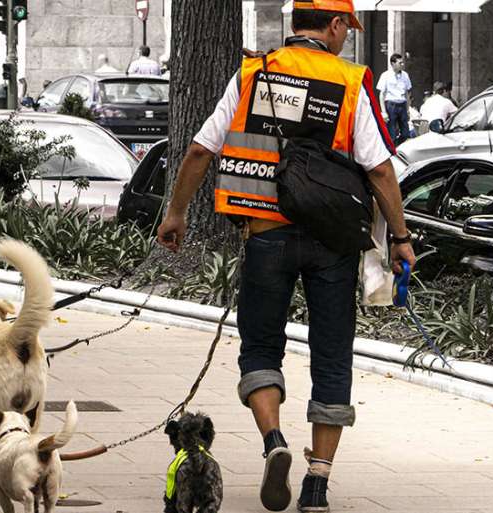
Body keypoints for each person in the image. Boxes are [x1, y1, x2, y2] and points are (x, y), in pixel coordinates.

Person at [155, 2, 417, 512]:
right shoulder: (349, 80)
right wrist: (400, 237)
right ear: (336, 25)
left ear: (295, 23)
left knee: (259, 347)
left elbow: (199, 151)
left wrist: (177, 213)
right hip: (333, 243)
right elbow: (381, 171)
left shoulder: (253, 74)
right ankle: (317, 485)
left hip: (265, 234)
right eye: (347, 29)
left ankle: (273, 441)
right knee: (332, 355)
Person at [377, 52, 413, 145]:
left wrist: (408, 109)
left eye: (402, 62)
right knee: (391, 133)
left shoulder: (405, 75)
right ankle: (391, 151)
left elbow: (407, 93)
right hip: (391, 105)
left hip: (402, 105)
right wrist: (383, 112)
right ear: (393, 64)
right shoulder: (385, 75)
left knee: (405, 133)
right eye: (399, 63)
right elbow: (382, 94)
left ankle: (397, 146)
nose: (402, 64)